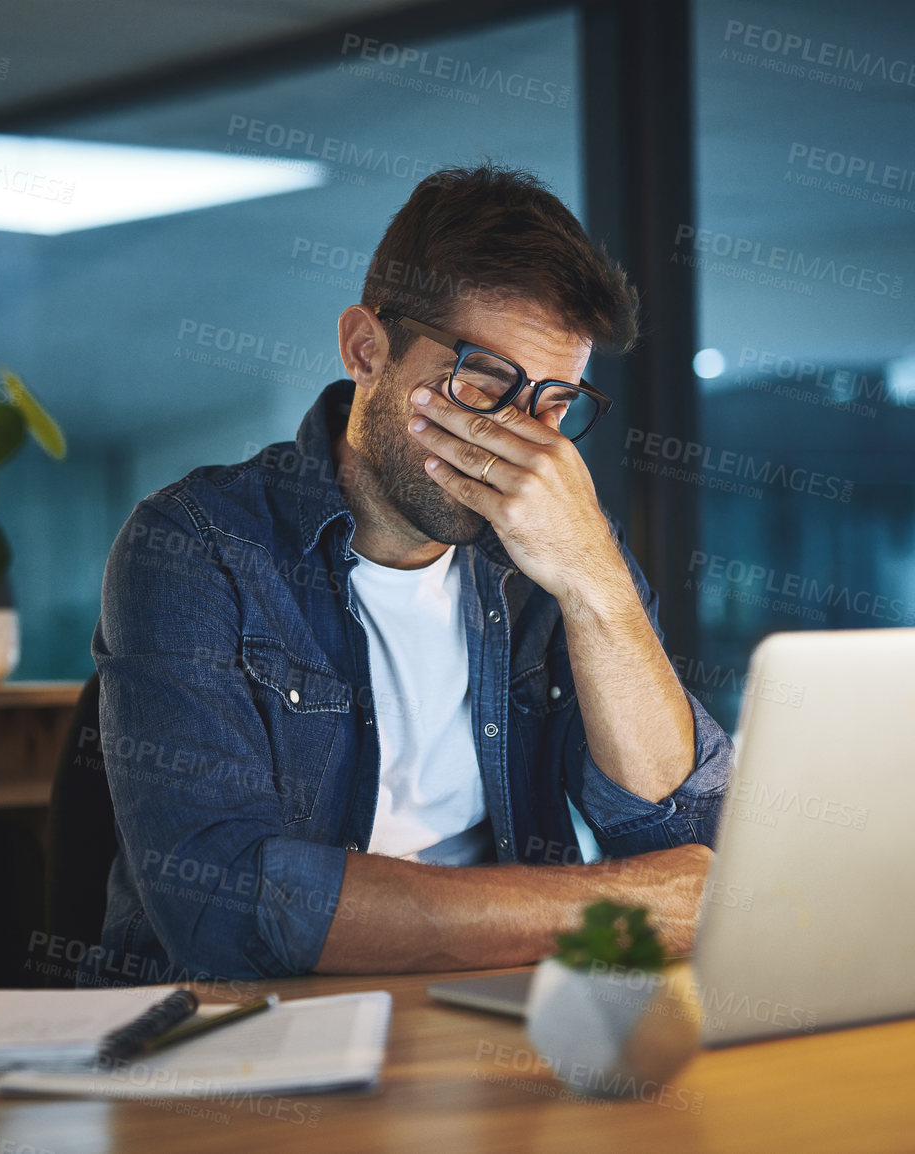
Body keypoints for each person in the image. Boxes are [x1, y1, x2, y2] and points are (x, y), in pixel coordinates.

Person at [91, 164, 731, 983]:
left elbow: (684, 839)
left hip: (492, 1025)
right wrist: (610, 909)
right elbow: (225, 911)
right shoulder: (195, 545)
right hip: (259, 1050)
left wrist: (595, 585)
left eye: (554, 404)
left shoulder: (559, 545)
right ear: (367, 349)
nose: (520, 443)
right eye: (482, 383)